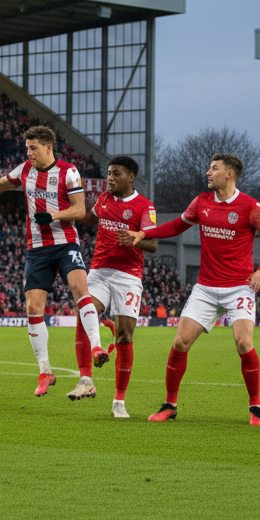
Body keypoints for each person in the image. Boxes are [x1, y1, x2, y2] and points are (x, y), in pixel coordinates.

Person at [117, 153, 260, 424]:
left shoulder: (251, 206)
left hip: (239, 288)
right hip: (205, 287)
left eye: (214, 168)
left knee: (243, 343)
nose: (208, 172)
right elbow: (177, 226)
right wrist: (144, 233)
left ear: (229, 174)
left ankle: (255, 407)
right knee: (180, 342)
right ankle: (170, 405)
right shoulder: (201, 201)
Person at [0, 125, 108, 396]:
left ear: (48, 148)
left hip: (65, 243)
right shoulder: (24, 169)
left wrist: (53, 216)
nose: (29, 153)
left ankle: (96, 346)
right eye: (27, 148)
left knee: (79, 290)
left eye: (33, 148)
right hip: (37, 248)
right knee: (33, 307)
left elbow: (79, 210)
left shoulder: (68, 171)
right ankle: (45, 371)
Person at [70, 155, 157, 417]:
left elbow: (153, 244)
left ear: (131, 177)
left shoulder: (144, 206)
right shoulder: (104, 199)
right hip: (100, 271)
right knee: (84, 311)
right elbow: (89, 218)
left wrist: (135, 240)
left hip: (128, 276)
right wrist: (69, 208)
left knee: (124, 336)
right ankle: (86, 380)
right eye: (109, 173)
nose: (110, 178)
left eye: (116, 174)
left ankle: (119, 401)